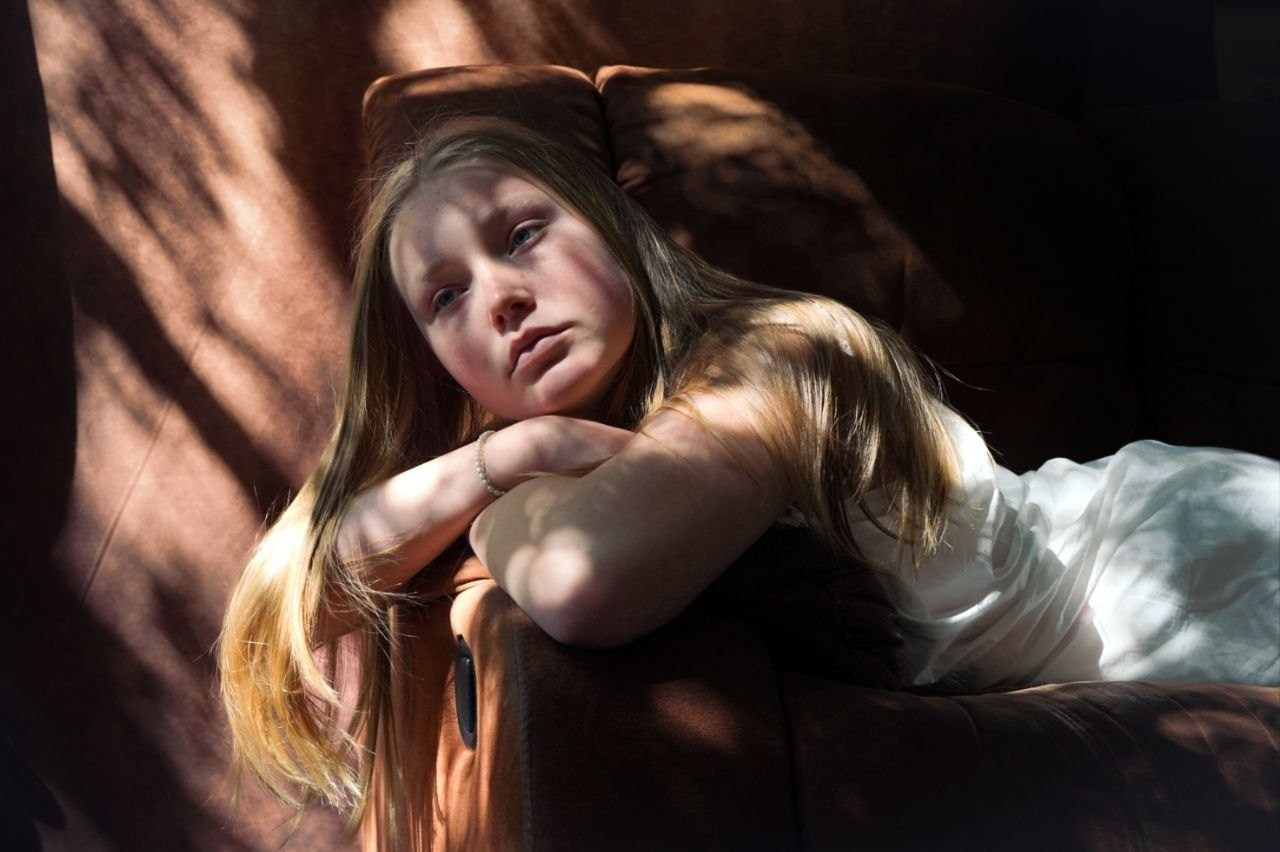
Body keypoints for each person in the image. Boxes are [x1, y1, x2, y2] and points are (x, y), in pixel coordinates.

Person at [218, 117, 1279, 826]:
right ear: (433, 358)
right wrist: (507, 456)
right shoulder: (545, 448)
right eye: (445, 296)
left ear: (613, 231)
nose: (500, 297)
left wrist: (502, 497)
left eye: (525, 233)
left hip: (1190, 559)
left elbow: (583, 580)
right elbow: (306, 592)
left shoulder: (781, 356)